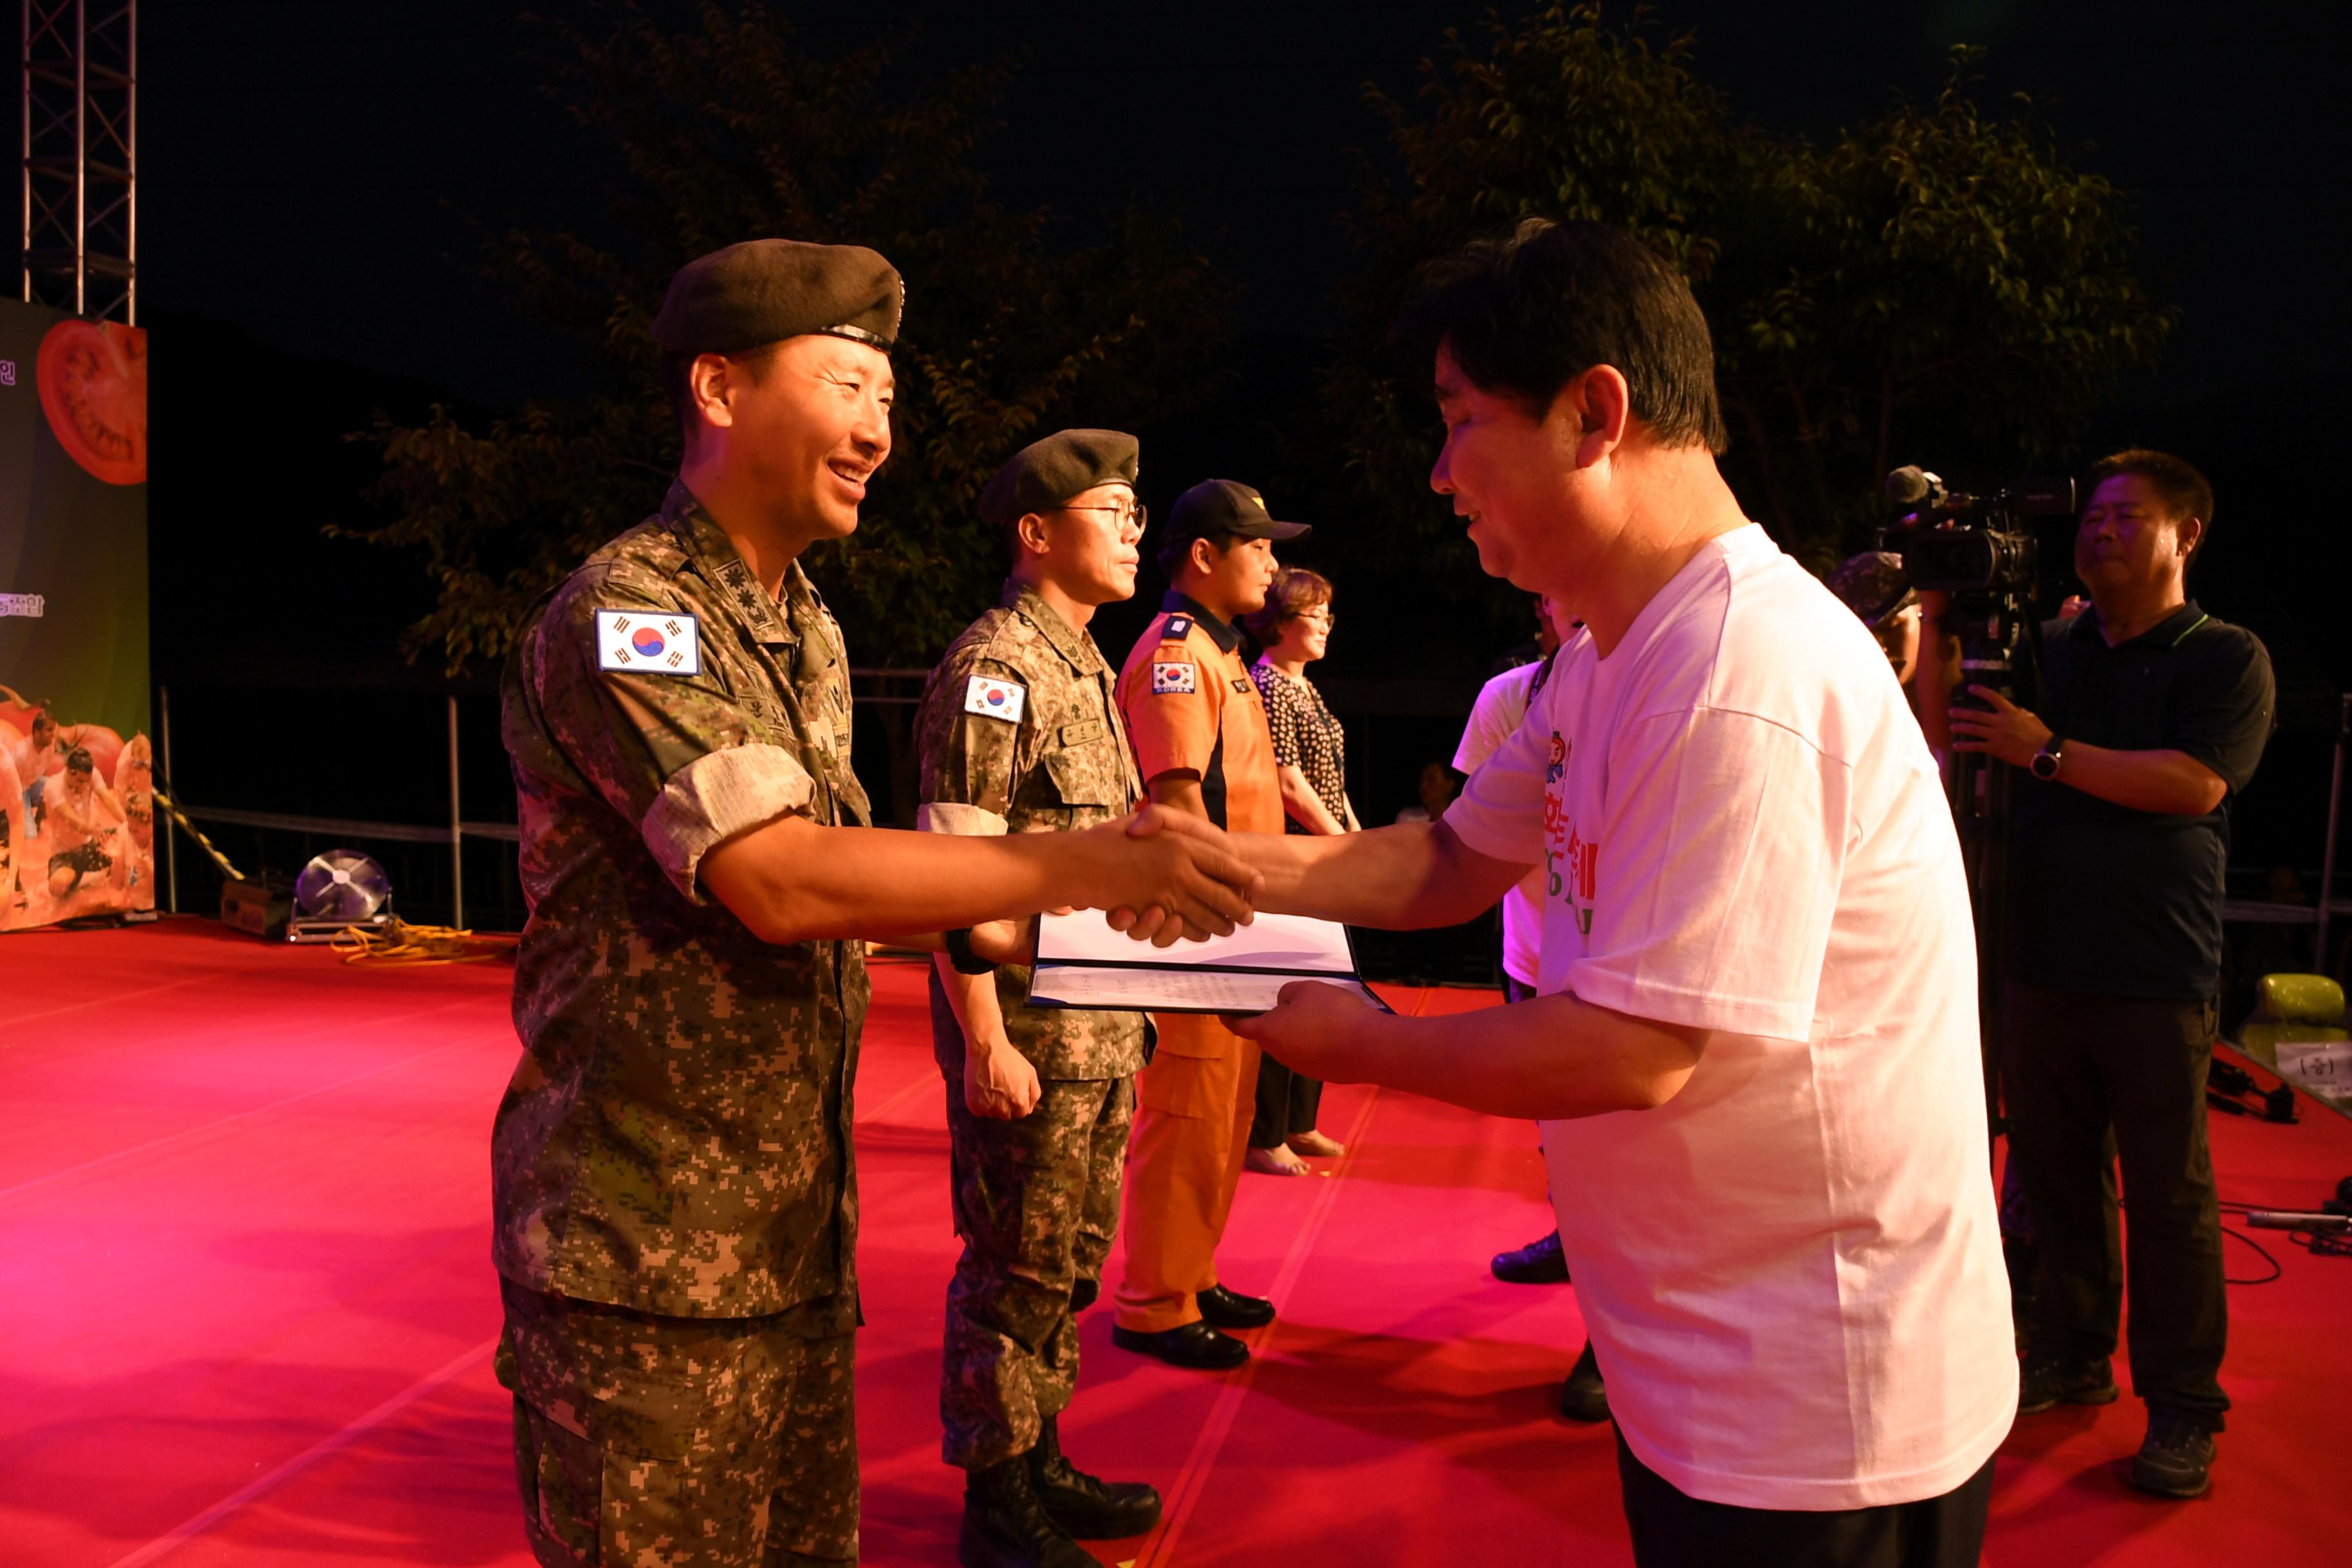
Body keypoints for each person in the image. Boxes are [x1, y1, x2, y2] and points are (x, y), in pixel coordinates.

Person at [1199, 220, 2012, 1565]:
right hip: (1703, 1350)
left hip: (1822, 1400)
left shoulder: (1742, 669)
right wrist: (1217, 865)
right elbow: (1451, 858)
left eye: (1460, 422)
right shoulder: (1608, 650)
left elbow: (1637, 1049)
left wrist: (1369, 1047)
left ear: (1595, 412)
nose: (1440, 471)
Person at [493, 239, 1260, 1568]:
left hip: (790, 1249)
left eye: (889, 402)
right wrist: (1096, 867)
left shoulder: (808, 630)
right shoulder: (632, 613)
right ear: (720, 390)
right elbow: (782, 878)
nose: (876, 434)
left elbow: (880, 879)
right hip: (646, 1260)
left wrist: (1102, 927)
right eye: (849, 385)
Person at [1948, 448, 2274, 1500]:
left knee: (2168, 1196)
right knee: (2051, 1178)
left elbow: (2193, 783)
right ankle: (2068, 1352)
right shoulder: (2047, 646)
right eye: (2090, 517)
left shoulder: (2222, 656)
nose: (2097, 531)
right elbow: (1951, 723)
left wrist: (2045, 754)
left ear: (2186, 535)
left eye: (2126, 517)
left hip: (2152, 967)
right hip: (2036, 958)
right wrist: (1940, 623)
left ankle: (2182, 1407)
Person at [914, 428, 1164, 1568]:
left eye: (1134, 514)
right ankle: (994, 1500)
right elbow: (952, 869)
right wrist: (981, 1041)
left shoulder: (1079, 667)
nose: (1128, 532)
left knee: (1065, 1260)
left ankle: (1041, 1454)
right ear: (1035, 534)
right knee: (1009, 1266)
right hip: (1028, 1035)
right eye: (1108, 512)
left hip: (1099, 1030)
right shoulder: (996, 669)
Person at [1109, 477, 1304, 1371]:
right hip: (1201, 924)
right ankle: (1153, 1301)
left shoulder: (1223, 654)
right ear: (1203, 557)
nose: (1273, 561)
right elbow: (1179, 799)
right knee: (1188, 1110)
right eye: (1258, 546)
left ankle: (1193, 1272)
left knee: (1226, 1109)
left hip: (1242, 919)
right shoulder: (1179, 654)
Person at [1455, 595, 1609, 1422]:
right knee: (1558, 1137)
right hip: (1532, 949)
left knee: (1615, 1152)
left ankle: (1608, 1335)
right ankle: (1570, 1237)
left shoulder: (1648, 690)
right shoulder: (1510, 695)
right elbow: (1467, 832)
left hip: (1609, 967)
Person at [1240, 566, 1353, 1176]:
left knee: (1323, 991)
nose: (1325, 627)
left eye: (1329, 615)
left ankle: (1301, 1121)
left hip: (1325, 853)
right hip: (1295, 858)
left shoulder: (1306, 687)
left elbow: (1329, 780)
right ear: (1280, 622)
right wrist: (1340, 844)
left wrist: (1357, 835)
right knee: (1284, 997)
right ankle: (1265, 1133)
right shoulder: (1269, 685)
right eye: (1316, 615)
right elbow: (1287, 782)